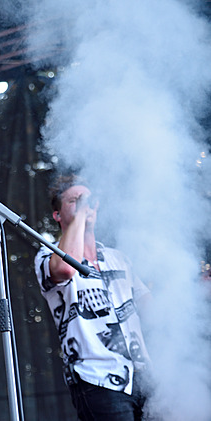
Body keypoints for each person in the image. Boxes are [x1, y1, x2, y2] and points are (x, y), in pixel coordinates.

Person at [33, 175, 152, 421]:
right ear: (57, 215)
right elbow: (66, 269)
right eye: (74, 200)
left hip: (143, 377)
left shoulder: (117, 257)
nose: (84, 205)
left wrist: (197, 288)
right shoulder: (48, 255)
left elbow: (150, 307)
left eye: (87, 199)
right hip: (97, 380)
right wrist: (80, 214)